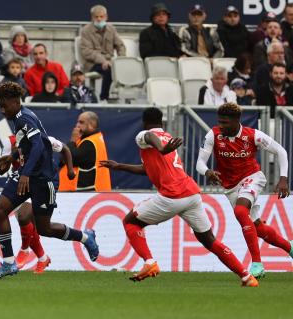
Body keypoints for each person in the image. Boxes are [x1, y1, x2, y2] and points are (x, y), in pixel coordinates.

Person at [100, 107, 258, 287]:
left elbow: (150, 138)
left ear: (144, 122)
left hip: (172, 196)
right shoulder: (168, 137)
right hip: (191, 194)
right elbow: (147, 169)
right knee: (209, 240)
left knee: (130, 221)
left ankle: (149, 262)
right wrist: (119, 166)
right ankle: (246, 276)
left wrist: (161, 148)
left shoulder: (145, 136)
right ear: (162, 122)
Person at [0, 82, 99, 279]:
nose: (1, 110)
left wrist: (25, 174)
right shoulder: (17, 118)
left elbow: (39, 146)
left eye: (4, 105)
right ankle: (8, 263)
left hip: (42, 179)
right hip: (27, 174)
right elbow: (28, 146)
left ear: (15, 102)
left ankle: (85, 237)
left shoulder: (25, 118)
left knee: (44, 229)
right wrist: (12, 158)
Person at [196, 102, 293, 278]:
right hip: (231, 187)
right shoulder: (214, 134)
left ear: (236, 121)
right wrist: (208, 171)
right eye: (220, 121)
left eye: (225, 122)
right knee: (258, 228)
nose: (221, 126)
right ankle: (290, 247)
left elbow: (280, 151)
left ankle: (257, 263)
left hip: (253, 178)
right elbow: (199, 164)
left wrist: (284, 179)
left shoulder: (253, 136)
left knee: (241, 212)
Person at [0, 134, 76, 273]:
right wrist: (7, 160)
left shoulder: (44, 139)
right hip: (20, 182)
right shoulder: (9, 142)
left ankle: (24, 249)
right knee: (29, 223)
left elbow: (65, 149)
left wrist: (70, 170)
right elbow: (1, 170)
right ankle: (42, 257)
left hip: (41, 182)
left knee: (24, 217)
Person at [80, 5, 125, 101]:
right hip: (92, 63)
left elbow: (120, 45)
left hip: (110, 61)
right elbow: (87, 52)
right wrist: (103, 61)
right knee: (108, 69)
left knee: (119, 67)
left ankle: (123, 97)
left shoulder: (111, 29)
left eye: (101, 16)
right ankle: (104, 98)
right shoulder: (85, 31)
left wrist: (122, 59)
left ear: (106, 17)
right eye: (96, 17)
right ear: (92, 18)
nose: (99, 19)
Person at [58, 111, 111, 192]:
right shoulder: (91, 139)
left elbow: (71, 160)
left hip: (86, 193)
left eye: (81, 122)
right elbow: (62, 159)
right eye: (77, 122)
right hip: (85, 192)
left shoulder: (90, 142)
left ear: (92, 124)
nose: (77, 125)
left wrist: (72, 141)